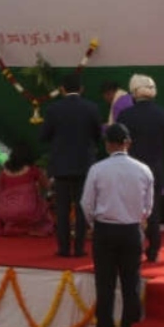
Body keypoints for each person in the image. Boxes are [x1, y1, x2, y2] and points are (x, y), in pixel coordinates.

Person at [81, 124, 152, 327]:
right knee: (131, 285)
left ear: (108, 144)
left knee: (105, 286)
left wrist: (94, 224)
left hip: (105, 229)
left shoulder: (98, 169)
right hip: (131, 230)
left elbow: (86, 204)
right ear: (128, 143)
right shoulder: (143, 170)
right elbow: (148, 207)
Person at [39, 73, 101, 258]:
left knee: (63, 209)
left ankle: (64, 248)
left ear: (62, 89)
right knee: (82, 208)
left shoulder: (53, 109)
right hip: (84, 166)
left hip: (61, 166)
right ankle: (80, 248)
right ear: (81, 89)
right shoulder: (92, 108)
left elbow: (43, 136)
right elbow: (98, 136)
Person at [116, 74, 164, 261]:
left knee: (130, 210)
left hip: (131, 169)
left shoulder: (125, 115)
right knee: (153, 210)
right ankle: (154, 249)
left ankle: (133, 249)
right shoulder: (163, 114)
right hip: (155, 168)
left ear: (133, 93)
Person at [0, 147, 53, 237]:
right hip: (28, 212)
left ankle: (14, 227)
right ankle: (32, 229)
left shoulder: (3, 173)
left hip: (6, 213)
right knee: (42, 204)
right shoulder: (32, 170)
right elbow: (47, 185)